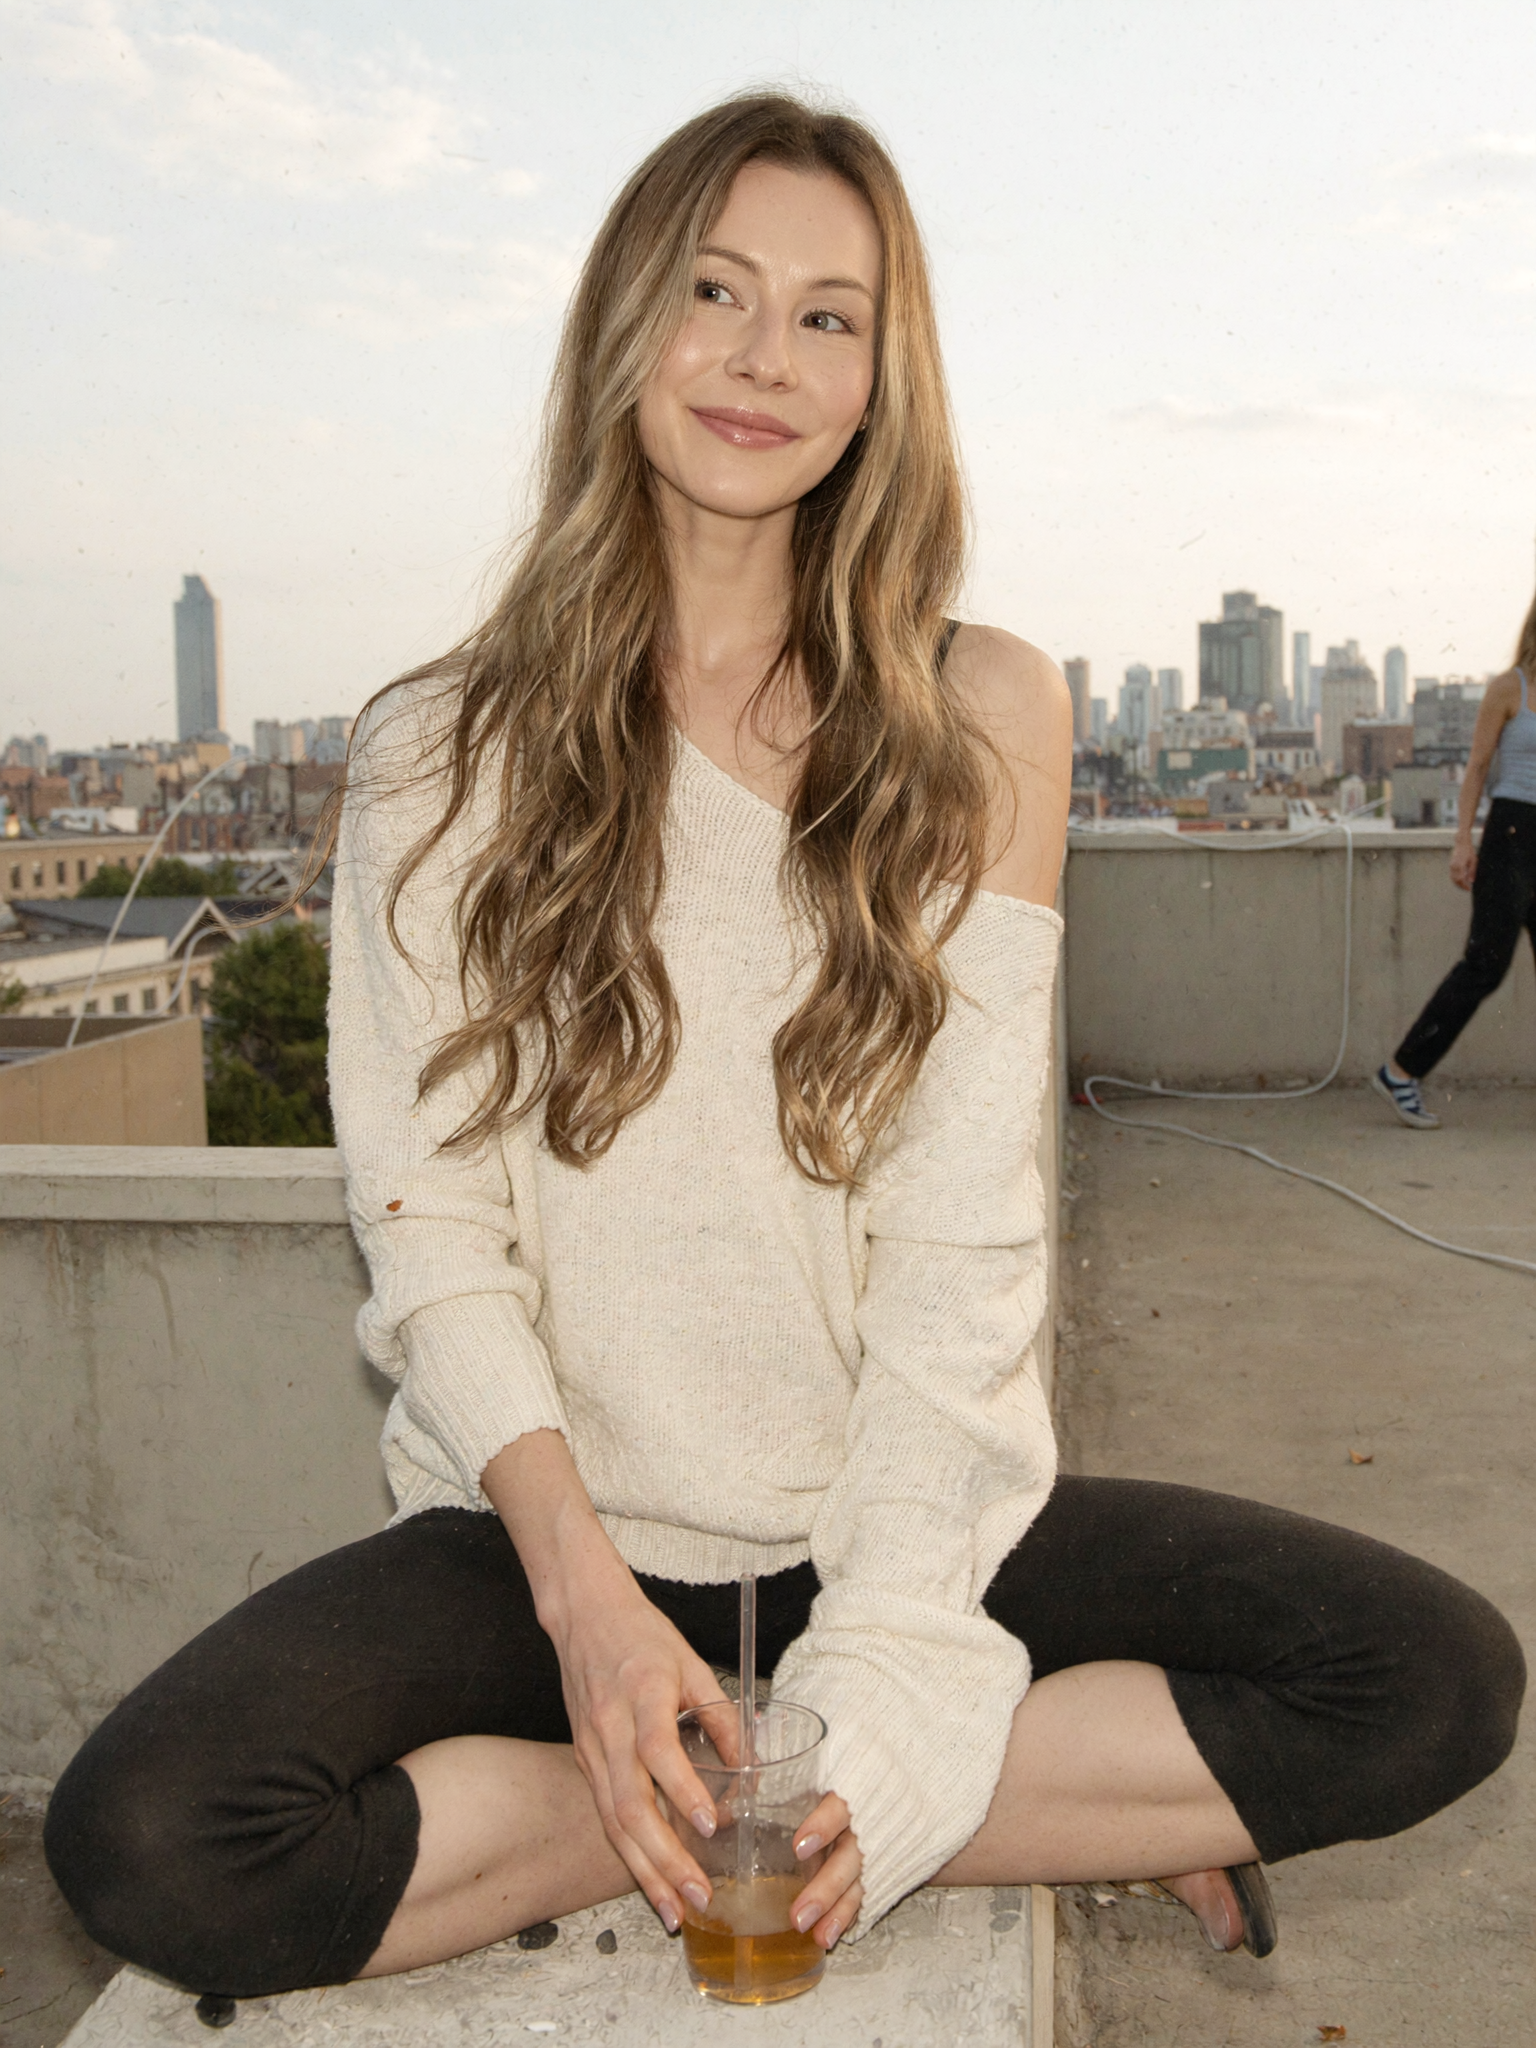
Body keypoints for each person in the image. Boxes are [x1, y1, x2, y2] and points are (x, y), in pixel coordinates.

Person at [45, 93, 1522, 2000]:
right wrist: (586, 1620)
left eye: (829, 316)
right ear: (623, 328)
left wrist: (900, 1655)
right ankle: (757, 1793)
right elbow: (430, 1220)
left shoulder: (975, 716)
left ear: (880, 381)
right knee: (152, 1836)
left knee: (1428, 1677)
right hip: (558, 1538)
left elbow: (963, 1242)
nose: (763, 356)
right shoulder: (437, 748)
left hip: (875, 1518)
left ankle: (825, 1788)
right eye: (717, 290)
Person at [1375, 590, 1536, 1128]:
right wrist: (1462, 841)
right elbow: (1475, 770)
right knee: (1486, 965)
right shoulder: (1508, 688)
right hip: (1512, 835)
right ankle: (1401, 1072)